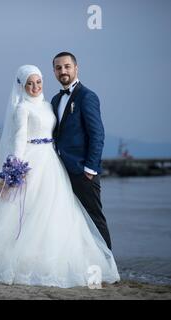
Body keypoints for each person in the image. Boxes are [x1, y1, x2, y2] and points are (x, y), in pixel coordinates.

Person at [0, 65, 120, 288]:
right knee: (21, 211)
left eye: (38, 82)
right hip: (32, 161)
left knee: (54, 211)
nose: (35, 87)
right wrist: (14, 172)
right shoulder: (22, 108)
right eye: (30, 83)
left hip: (52, 162)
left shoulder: (48, 105)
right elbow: (18, 141)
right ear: (22, 86)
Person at [51, 52, 112, 250]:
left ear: (76, 68)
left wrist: (90, 169)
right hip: (61, 172)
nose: (63, 71)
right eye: (59, 68)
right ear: (54, 72)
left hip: (83, 172)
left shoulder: (87, 96)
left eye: (67, 66)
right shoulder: (54, 100)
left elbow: (97, 135)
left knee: (94, 219)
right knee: (70, 219)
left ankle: (107, 267)